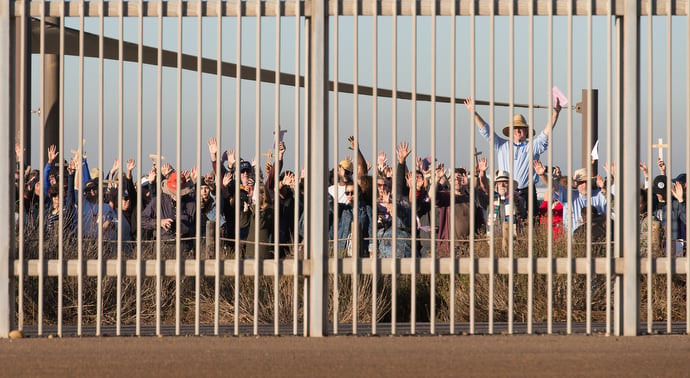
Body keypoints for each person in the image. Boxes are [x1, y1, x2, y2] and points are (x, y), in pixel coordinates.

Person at [464, 96, 562, 217]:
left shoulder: (533, 146)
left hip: (527, 192)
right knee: (505, 220)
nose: (518, 130)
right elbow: (485, 130)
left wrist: (555, 114)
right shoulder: (502, 145)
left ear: (526, 132)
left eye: (521, 128)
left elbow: (546, 133)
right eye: (515, 128)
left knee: (530, 223)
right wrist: (474, 113)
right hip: (506, 191)